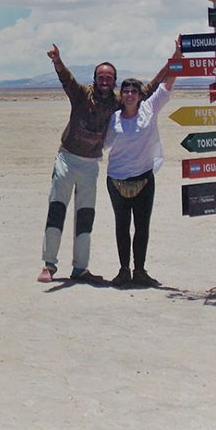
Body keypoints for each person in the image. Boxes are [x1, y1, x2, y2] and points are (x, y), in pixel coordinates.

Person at [38, 44, 160, 284]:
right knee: (57, 208)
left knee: (85, 215)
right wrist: (57, 61)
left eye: (109, 78)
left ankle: (80, 268)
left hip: (91, 164)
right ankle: (49, 265)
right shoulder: (82, 94)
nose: (105, 81)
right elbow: (67, 80)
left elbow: (148, 89)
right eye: (101, 77)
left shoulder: (117, 101)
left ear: (114, 81)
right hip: (67, 158)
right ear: (95, 79)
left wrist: (172, 62)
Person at [102, 37, 182, 287]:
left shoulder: (150, 108)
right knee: (122, 226)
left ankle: (140, 271)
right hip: (116, 180)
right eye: (125, 91)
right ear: (121, 94)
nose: (129, 95)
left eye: (133, 91)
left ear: (139, 94)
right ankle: (123, 270)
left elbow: (167, 84)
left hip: (145, 177)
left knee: (142, 226)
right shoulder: (113, 118)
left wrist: (178, 54)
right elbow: (103, 145)